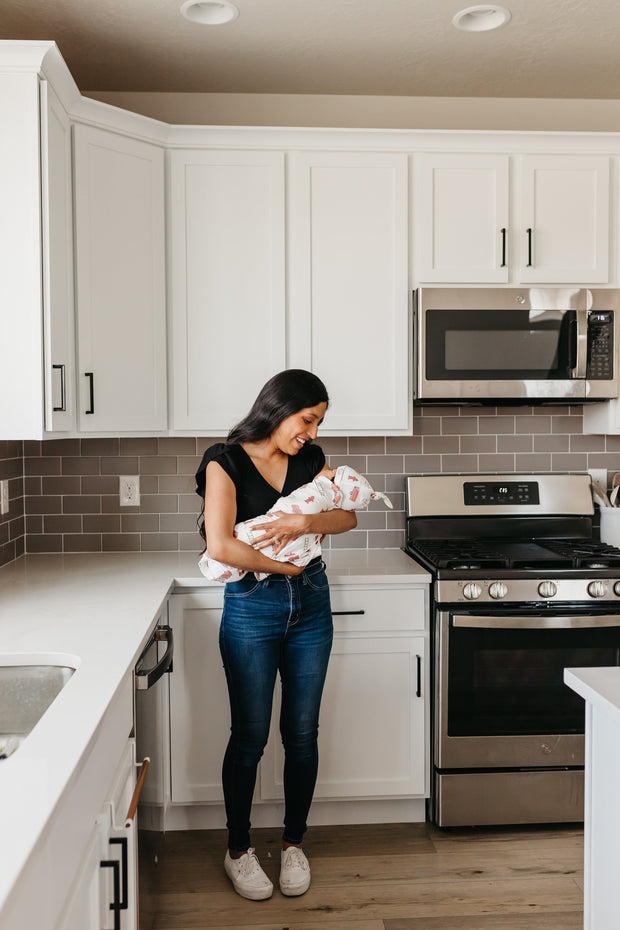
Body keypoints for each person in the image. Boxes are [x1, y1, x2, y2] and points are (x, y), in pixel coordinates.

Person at [194, 369, 357, 901]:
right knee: (250, 736)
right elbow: (220, 546)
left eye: (318, 423)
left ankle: (293, 843)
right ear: (279, 407)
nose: (311, 432)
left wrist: (304, 526)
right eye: (307, 419)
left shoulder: (310, 461)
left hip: (312, 604)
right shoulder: (225, 460)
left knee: (302, 733)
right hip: (253, 605)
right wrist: (284, 569)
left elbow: (348, 517)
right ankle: (238, 850)